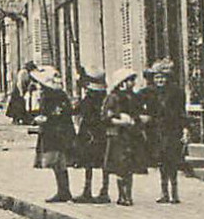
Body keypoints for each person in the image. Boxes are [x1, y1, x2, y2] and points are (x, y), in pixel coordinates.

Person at [102, 68, 147, 205]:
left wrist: (138, 120)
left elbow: (138, 113)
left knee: (129, 165)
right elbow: (106, 117)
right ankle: (122, 196)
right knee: (120, 165)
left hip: (131, 134)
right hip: (117, 135)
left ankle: (128, 195)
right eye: (130, 80)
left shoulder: (134, 97)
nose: (132, 83)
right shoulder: (113, 97)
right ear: (122, 82)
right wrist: (120, 121)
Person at [30, 64, 74, 202]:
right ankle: (63, 190)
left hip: (56, 132)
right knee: (58, 163)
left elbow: (58, 113)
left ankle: (63, 191)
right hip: (56, 130)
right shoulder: (55, 93)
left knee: (57, 161)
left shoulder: (52, 95)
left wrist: (44, 119)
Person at [146, 59, 188, 204]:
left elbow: (182, 112)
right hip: (157, 132)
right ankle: (164, 193)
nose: (159, 80)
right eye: (157, 77)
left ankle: (174, 193)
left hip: (172, 130)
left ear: (167, 78)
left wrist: (185, 130)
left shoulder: (177, 92)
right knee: (162, 162)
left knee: (173, 162)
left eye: (162, 77)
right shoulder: (150, 93)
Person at [73, 70, 110, 202]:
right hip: (99, 132)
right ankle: (103, 190)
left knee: (89, 163)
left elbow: (80, 111)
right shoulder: (103, 96)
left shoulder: (90, 98)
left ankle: (90, 191)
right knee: (102, 163)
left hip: (91, 133)